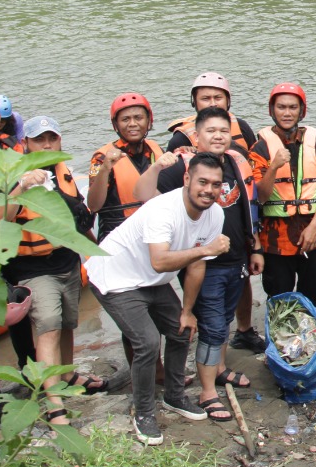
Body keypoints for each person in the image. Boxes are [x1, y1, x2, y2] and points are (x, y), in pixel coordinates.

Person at [87, 152, 228, 445]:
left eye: (216, 184)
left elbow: (196, 265)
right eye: (202, 182)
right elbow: (161, 261)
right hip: (114, 277)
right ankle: (144, 410)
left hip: (151, 280)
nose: (209, 190)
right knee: (148, 342)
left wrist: (188, 311)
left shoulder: (215, 214)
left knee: (181, 331)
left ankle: (174, 396)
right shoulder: (164, 209)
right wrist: (205, 249)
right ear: (187, 179)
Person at [139, 108, 258, 419]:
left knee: (224, 321)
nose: (218, 135)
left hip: (236, 257)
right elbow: (145, 197)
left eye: (223, 130)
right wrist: (155, 168)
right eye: (210, 131)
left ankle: (218, 369)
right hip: (202, 261)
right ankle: (207, 392)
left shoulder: (233, 161)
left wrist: (253, 247)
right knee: (212, 326)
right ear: (197, 135)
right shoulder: (182, 166)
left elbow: (246, 205)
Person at [0, 115, 102, 423]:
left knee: (69, 322)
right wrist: (21, 185)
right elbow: (0, 217)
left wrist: (94, 252)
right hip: (32, 265)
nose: (47, 145)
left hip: (66, 258)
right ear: (26, 143)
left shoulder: (62, 171)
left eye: (52, 139)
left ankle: (66, 375)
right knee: (48, 326)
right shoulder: (12, 172)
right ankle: (54, 402)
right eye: (39, 140)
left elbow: (78, 215)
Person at [250, 83, 316, 306]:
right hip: (275, 239)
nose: (287, 113)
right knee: (279, 297)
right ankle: (282, 339)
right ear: (272, 110)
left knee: (312, 293)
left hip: (313, 232)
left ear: (302, 111)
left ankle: (311, 337)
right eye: (281, 107)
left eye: (292, 107)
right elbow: (260, 196)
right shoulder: (260, 148)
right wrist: (274, 167)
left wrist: (314, 227)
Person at [88, 93, 165, 240]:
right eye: (125, 119)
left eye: (138, 118)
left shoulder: (157, 150)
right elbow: (94, 205)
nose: (132, 124)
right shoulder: (102, 158)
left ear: (149, 121)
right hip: (118, 236)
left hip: (154, 231)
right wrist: (105, 169)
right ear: (115, 124)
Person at [166, 73, 258, 153]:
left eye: (218, 98)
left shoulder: (242, 127)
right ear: (195, 102)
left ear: (228, 101)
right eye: (205, 99)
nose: (213, 104)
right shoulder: (180, 139)